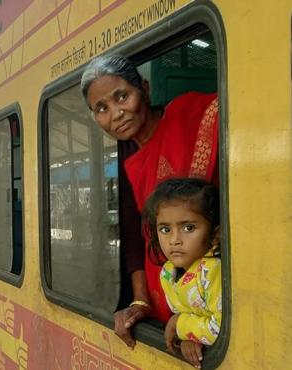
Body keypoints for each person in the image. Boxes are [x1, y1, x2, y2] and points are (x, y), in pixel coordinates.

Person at [80, 55, 218, 347]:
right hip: (167, 301)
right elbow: (135, 234)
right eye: (101, 108)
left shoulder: (188, 114)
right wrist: (140, 301)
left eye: (122, 96)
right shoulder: (129, 158)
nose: (116, 113)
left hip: (211, 296)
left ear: (144, 89)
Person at [143, 178, 221, 368]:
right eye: (165, 229)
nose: (174, 240)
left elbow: (221, 329)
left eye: (188, 228)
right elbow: (193, 319)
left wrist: (178, 324)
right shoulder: (168, 273)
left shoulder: (213, 271)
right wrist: (190, 338)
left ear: (214, 234)